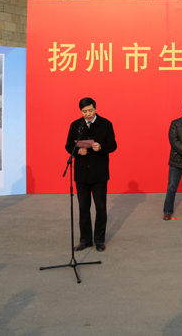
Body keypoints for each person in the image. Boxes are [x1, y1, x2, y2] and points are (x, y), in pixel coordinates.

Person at [65, 97, 117, 252]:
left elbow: (113, 145)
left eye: (90, 110)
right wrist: (77, 151)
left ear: (95, 108)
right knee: (83, 208)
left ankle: (99, 240)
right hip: (82, 174)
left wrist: (101, 147)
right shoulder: (76, 125)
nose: (87, 114)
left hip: (99, 173)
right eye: (84, 111)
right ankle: (85, 240)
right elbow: (68, 145)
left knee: (100, 207)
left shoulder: (106, 124)